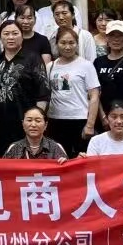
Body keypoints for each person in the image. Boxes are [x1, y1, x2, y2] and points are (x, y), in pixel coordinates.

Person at [0, 20, 50, 157]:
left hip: (25, 123)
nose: (10, 37)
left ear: (22, 36)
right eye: (6, 34)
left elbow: (43, 92)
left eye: (15, 33)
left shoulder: (33, 58)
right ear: (0, 36)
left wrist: (36, 120)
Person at [46, 27, 101, 158]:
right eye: (63, 43)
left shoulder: (86, 65)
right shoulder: (50, 66)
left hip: (79, 119)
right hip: (55, 120)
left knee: (80, 158)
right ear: (57, 44)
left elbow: (94, 96)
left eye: (71, 43)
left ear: (77, 44)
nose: (67, 47)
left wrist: (90, 125)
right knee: (58, 158)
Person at [3, 106, 69, 161]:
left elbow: (68, 171)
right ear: (23, 124)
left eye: (38, 121)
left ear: (45, 125)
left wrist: (65, 164)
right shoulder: (14, 148)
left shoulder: (55, 148)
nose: (33, 125)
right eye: (29, 120)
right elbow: (3, 169)